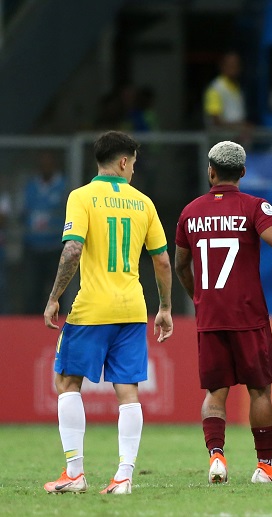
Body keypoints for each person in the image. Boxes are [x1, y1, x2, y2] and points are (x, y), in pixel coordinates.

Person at [174, 141, 272, 485]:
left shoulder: (190, 211)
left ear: (210, 171)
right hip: (248, 315)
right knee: (259, 391)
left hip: (210, 316)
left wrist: (198, 298)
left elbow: (181, 265)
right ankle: (264, 466)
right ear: (243, 173)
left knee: (215, 392)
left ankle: (216, 455)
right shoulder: (254, 206)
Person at [43, 131, 174, 494]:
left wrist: (55, 297)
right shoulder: (143, 202)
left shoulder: (81, 197)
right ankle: (124, 477)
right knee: (128, 392)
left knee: (67, 384)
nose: (134, 169)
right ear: (122, 162)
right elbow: (162, 260)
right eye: (133, 162)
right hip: (132, 308)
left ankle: (75, 473)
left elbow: (72, 251)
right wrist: (164, 307)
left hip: (92, 308)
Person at [21, 150, 67, 314]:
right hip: (34, 246)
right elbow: (24, 211)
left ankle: (58, 324)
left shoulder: (63, 186)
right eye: (42, 163)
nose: (45, 166)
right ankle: (32, 328)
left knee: (58, 290)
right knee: (33, 290)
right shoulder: (32, 185)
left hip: (55, 247)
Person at [203, 51, 251, 136]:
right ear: (222, 66)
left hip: (236, 140)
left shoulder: (237, 87)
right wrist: (241, 127)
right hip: (222, 143)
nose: (234, 68)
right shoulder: (216, 88)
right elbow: (216, 121)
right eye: (230, 65)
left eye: (236, 65)